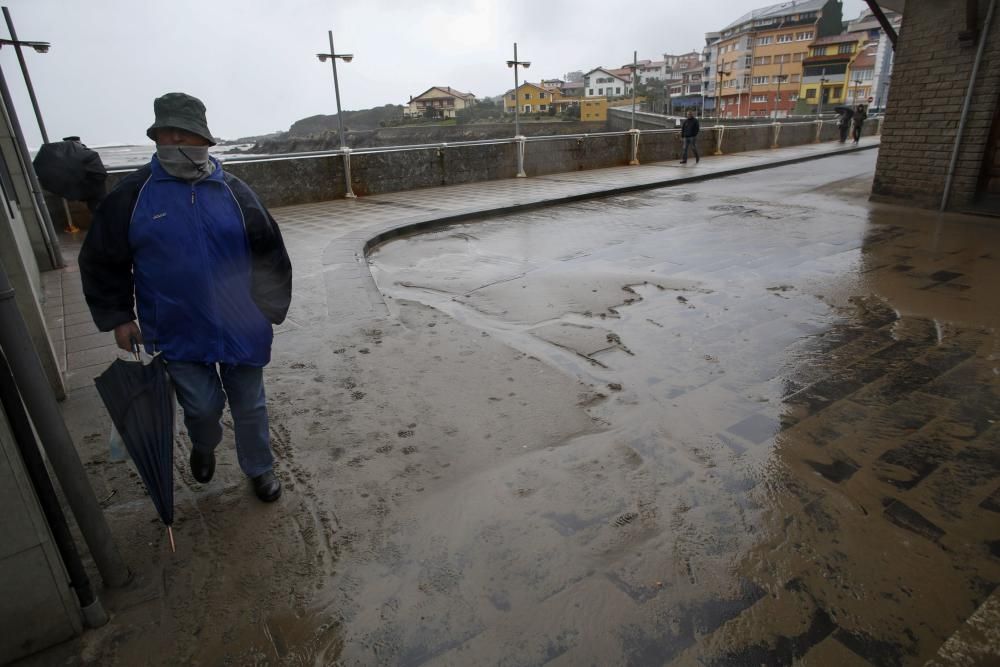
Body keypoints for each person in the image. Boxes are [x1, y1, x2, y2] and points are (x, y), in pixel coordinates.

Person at [79, 92, 292, 503]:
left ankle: (260, 468)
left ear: (205, 140)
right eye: (167, 134)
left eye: (186, 134)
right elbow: (102, 259)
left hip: (241, 323)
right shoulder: (132, 194)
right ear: (156, 138)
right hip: (176, 325)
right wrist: (120, 316)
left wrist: (269, 307)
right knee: (202, 407)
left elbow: (270, 250)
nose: (176, 142)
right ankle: (204, 442)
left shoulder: (236, 191)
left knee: (250, 405)